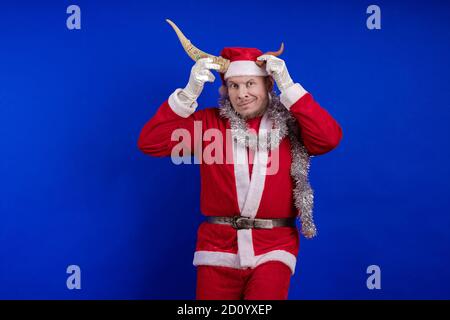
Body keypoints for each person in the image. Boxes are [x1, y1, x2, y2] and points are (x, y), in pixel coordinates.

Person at [137, 44, 343, 299]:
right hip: (216, 248)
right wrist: (188, 94)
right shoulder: (209, 123)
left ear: (268, 85)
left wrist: (289, 87)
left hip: (274, 246)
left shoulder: (291, 124)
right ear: (226, 89)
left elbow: (328, 139)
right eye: (234, 85)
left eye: (250, 84)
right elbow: (151, 142)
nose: (242, 93)